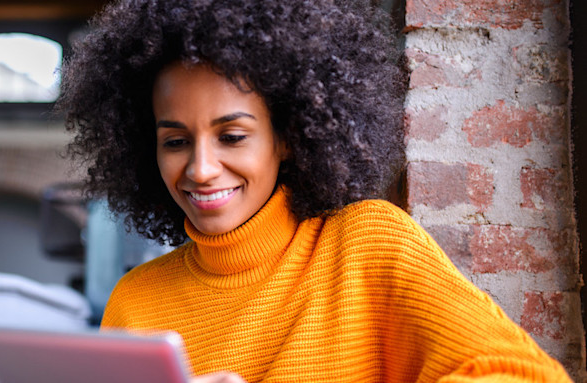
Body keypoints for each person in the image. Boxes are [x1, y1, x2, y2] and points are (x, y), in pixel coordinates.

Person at [56, 0, 573, 381]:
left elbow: (524, 375)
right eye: (175, 141)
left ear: (287, 137)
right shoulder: (134, 302)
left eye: (232, 136)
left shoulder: (366, 242)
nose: (201, 168)